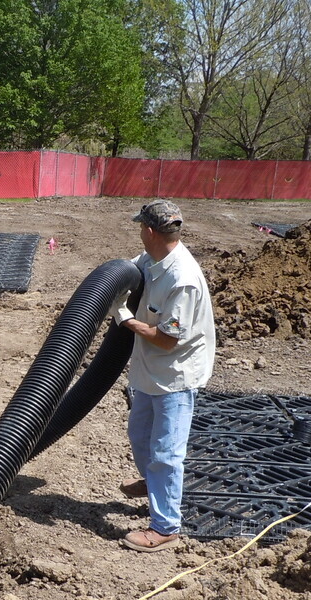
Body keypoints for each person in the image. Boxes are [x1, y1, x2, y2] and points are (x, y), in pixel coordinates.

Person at [110, 200, 215, 552]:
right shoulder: (153, 259)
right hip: (151, 369)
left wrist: (124, 319)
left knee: (166, 454)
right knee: (139, 434)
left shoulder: (182, 279)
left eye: (142, 227)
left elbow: (168, 341)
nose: (139, 232)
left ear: (151, 231)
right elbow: (131, 270)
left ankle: (165, 527)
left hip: (176, 375)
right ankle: (153, 482)